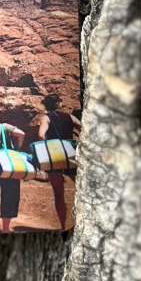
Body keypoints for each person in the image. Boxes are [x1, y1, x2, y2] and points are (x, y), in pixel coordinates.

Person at [37, 94, 82, 229]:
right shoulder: (70, 117)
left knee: (59, 192)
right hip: (70, 154)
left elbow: (40, 135)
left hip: (55, 156)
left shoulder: (46, 118)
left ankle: (63, 226)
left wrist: (44, 150)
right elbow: (83, 128)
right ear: (57, 103)